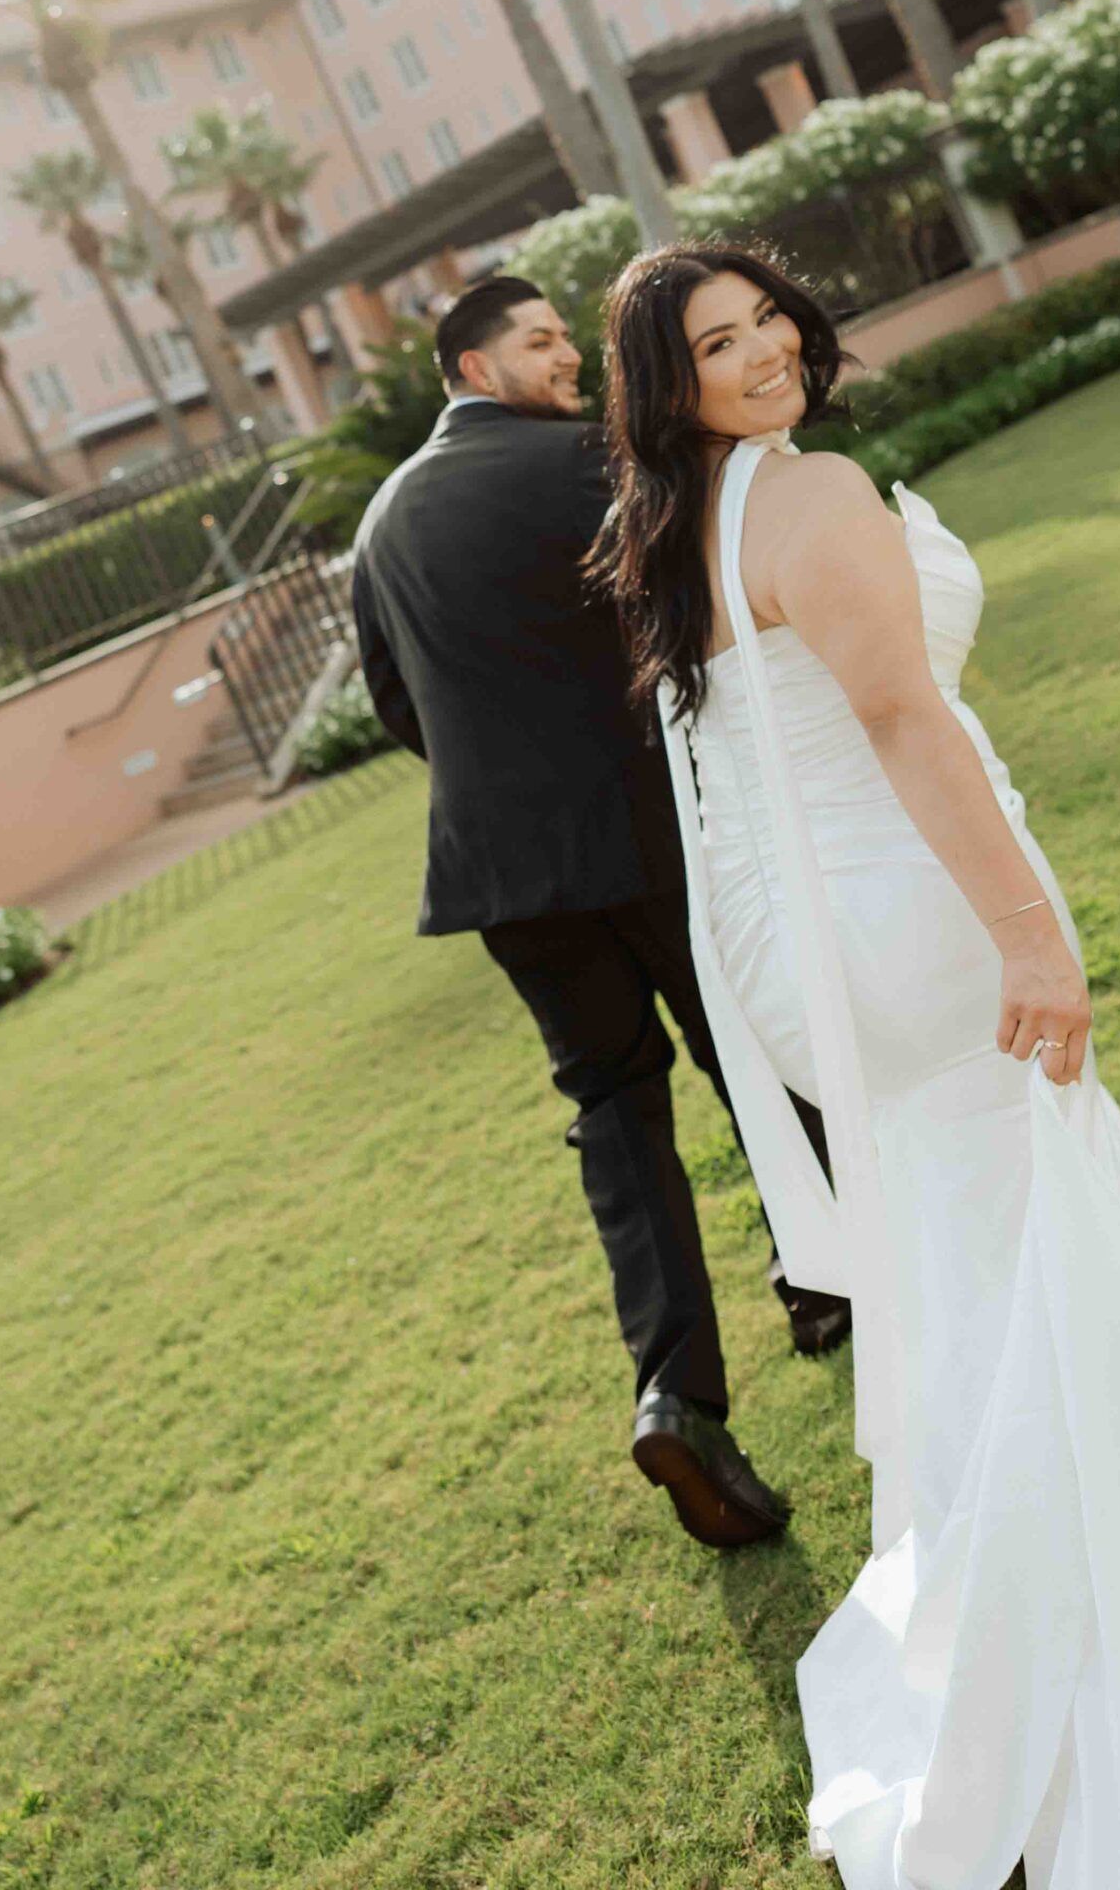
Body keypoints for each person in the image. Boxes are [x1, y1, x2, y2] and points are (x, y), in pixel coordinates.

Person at [591, 242, 1120, 1889]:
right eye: (714, 347)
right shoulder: (800, 495)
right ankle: (1108, 1665)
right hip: (919, 921)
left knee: (974, 1274)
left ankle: (1000, 1638)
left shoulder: (696, 526)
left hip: (832, 962)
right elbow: (899, 718)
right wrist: (1028, 936)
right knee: (1051, 1263)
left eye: (764, 323)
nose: (760, 359)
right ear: (665, 390)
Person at [350, 274, 847, 1554]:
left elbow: (396, 704)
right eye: (540, 340)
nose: (570, 354)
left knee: (615, 1114)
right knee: (753, 1043)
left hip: (507, 877)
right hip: (646, 827)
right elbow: (686, 609)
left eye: (568, 335)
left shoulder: (381, 521)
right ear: (469, 363)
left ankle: (677, 1390)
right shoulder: (591, 463)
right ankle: (837, 1276)